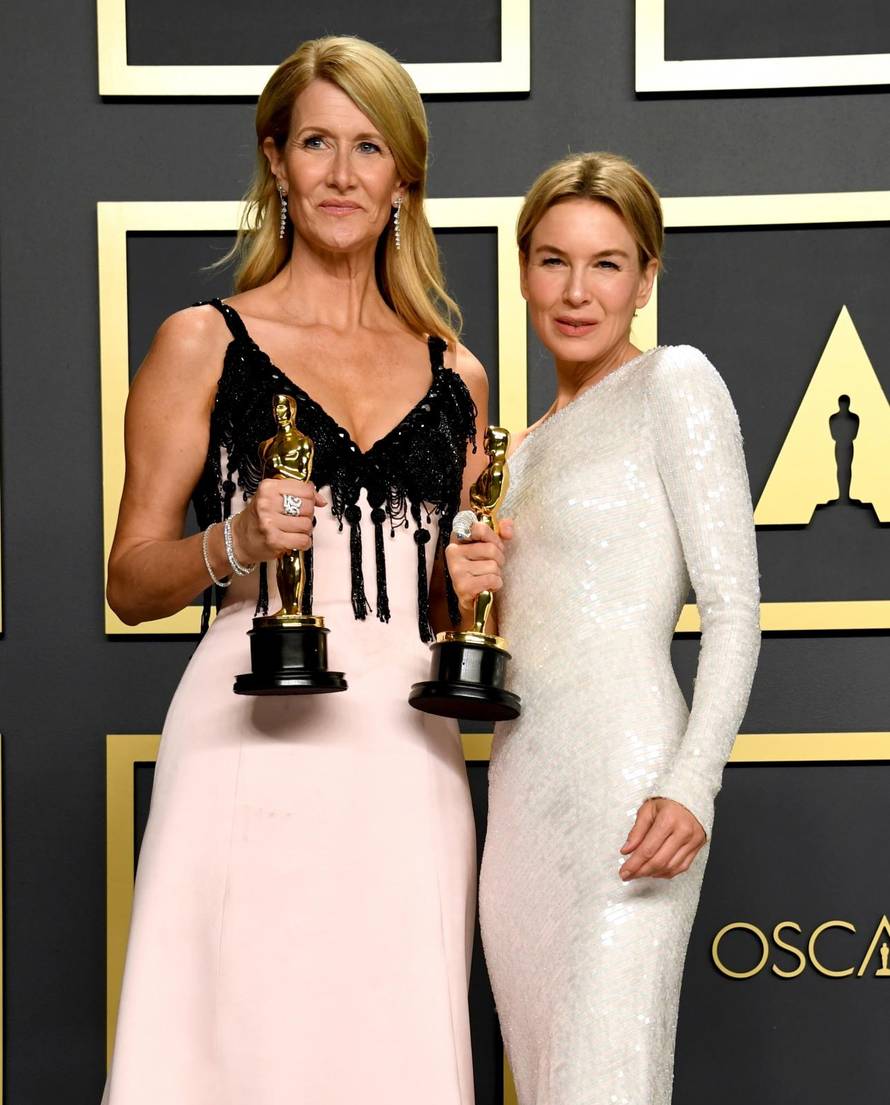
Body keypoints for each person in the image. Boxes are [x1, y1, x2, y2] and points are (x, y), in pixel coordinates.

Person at [103, 35, 489, 1105]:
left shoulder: (456, 373)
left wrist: (471, 582)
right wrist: (233, 541)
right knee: (236, 1045)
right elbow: (129, 579)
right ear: (275, 161)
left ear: (403, 176)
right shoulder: (202, 341)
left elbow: (443, 606)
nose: (341, 174)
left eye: (368, 147)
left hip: (405, 750)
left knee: (391, 1048)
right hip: (248, 736)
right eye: (316, 143)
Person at [447, 152, 761, 1104]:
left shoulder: (675, 382)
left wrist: (692, 782)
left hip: (630, 791)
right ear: (523, 272)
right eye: (553, 261)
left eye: (607, 264)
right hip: (519, 808)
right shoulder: (515, 453)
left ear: (646, 279)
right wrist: (464, 587)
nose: (577, 291)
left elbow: (734, 609)